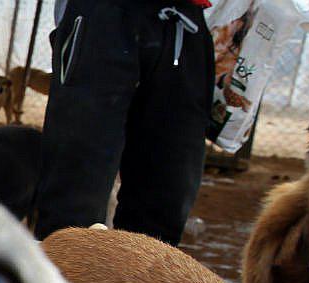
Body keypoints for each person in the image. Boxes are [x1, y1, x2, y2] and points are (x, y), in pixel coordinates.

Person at [33, 0, 214, 245]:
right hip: (104, 14)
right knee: (75, 204)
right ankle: (66, 279)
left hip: (184, 21)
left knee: (164, 202)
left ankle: (142, 281)